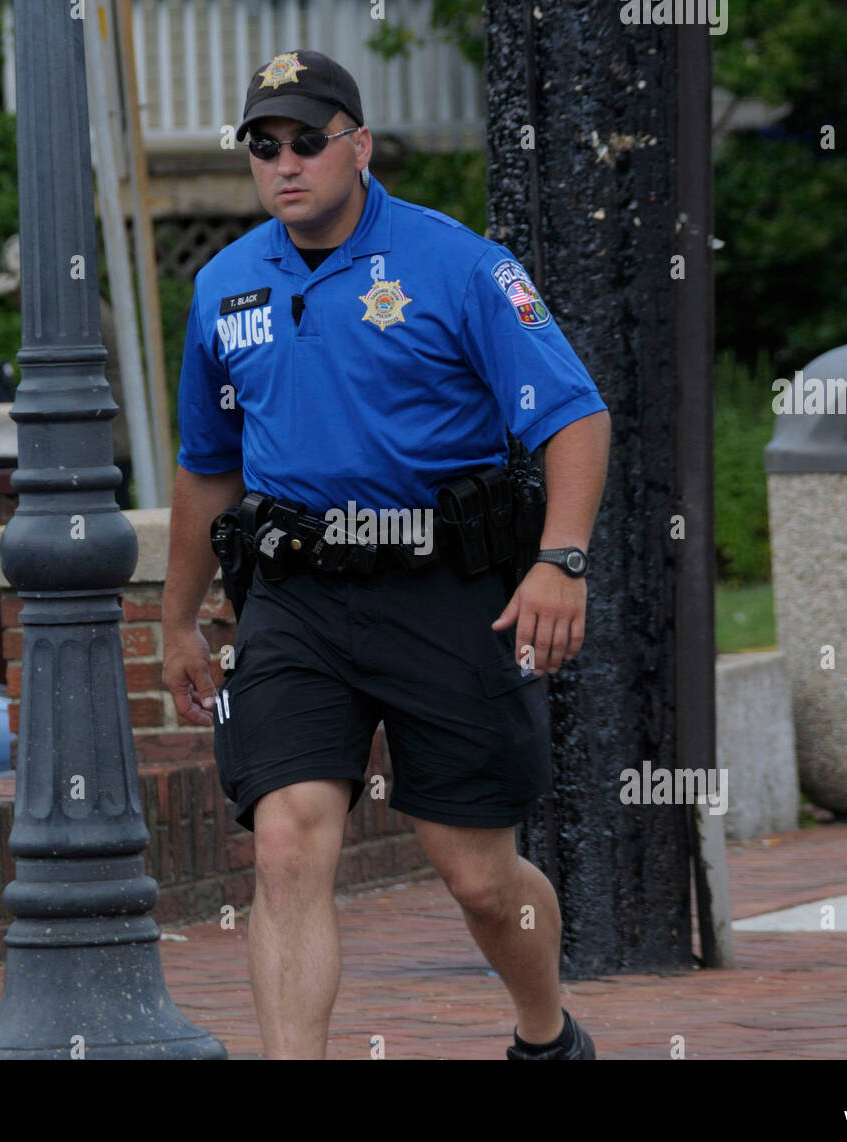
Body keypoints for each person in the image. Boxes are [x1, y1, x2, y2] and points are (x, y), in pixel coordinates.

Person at [162, 49, 611, 1060]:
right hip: (295, 600)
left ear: (357, 146)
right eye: (262, 146)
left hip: (446, 592)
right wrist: (178, 614)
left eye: (307, 142)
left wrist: (562, 559)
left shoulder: (460, 265)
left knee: (479, 879)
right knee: (285, 843)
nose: (285, 164)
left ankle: (546, 1034)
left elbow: (575, 416)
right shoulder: (225, 287)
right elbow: (207, 467)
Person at [0, 234, 135, 507]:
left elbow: (57, 382)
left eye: (19, 290)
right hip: (104, 443)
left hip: (100, 446)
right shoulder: (81, 305)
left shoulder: (73, 315)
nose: (16, 300)